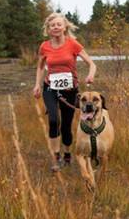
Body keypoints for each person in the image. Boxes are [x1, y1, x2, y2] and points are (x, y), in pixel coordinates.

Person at [33, 12, 97, 172]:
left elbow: (91, 64)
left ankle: (67, 153)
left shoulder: (73, 44)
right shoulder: (44, 46)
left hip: (70, 90)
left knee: (66, 126)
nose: (55, 27)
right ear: (48, 28)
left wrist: (90, 75)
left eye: (58, 24)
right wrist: (37, 85)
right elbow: (41, 67)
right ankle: (56, 158)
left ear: (64, 27)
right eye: (52, 25)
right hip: (51, 88)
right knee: (54, 120)